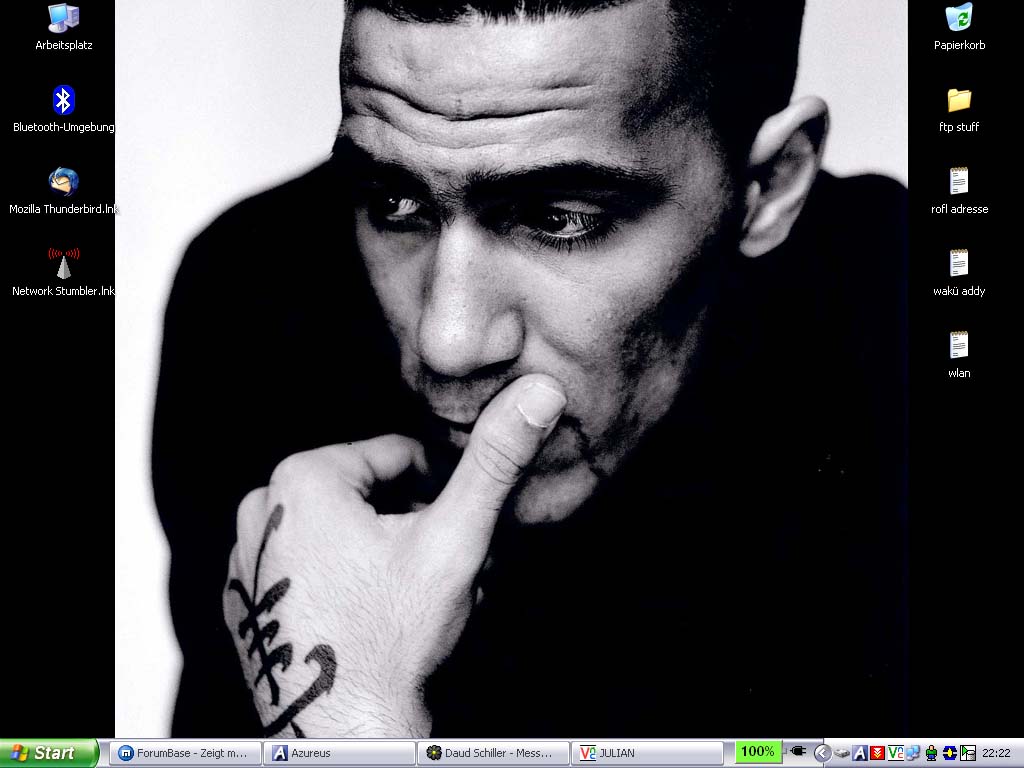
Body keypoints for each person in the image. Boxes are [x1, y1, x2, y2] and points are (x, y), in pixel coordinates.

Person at [153, 0, 908, 738]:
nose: (447, 344)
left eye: (558, 218)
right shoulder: (257, 300)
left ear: (769, 185)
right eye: (394, 202)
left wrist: (351, 726)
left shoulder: (897, 337)